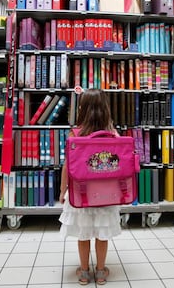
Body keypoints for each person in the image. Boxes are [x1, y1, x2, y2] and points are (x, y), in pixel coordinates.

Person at [59, 89, 122, 285]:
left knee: (83, 233)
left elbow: (67, 166)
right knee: (102, 235)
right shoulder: (113, 134)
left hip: (81, 193)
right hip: (107, 194)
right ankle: (101, 272)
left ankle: (85, 272)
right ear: (105, 109)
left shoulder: (75, 134)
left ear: (82, 109)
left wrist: (63, 191)